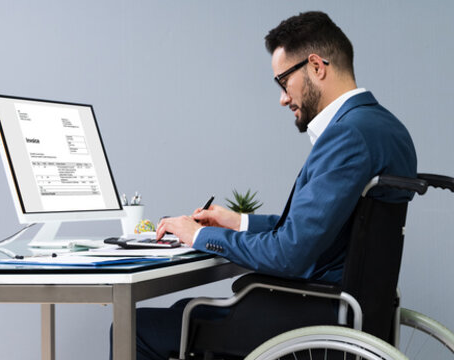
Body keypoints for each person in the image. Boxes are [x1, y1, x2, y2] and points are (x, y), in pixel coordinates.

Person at [118, 11, 418, 360]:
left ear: (317, 66)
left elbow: (290, 253)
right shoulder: (387, 128)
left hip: (312, 313)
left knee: (133, 327)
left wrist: (197, 236)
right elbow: (325, 229)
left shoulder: (347, 135)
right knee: (186, 309)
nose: (282, 98)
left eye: (283, 82)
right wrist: (238, 222)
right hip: (352, 307)